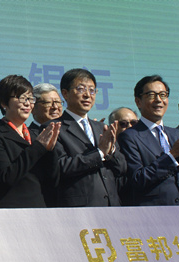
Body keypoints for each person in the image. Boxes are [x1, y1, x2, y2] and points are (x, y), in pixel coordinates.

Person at [0, 75, 61, 207]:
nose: (27, 103)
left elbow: (53, 179)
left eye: (30, 98)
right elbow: (6, 177)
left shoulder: (36, 136)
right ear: (4, 103)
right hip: (13, 210)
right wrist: (38, 147)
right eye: (21, 98)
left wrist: (50, 151)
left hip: (40, 208)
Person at [118, 75, 179, 206]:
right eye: (151, 95)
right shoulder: (129, 136)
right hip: (155, 210)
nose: (158, 100)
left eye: (163, 95)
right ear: (138, 101)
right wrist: (172, 155)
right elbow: (137, 179)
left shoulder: (177, 134)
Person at [51, 68, 126, 207]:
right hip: (79, 209)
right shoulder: (54, 127)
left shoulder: (101, 128)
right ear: (65, 93)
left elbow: (121, 168)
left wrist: (110, 152)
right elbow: (61, 167)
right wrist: (99, 153)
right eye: (81, 89)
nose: (87, 95)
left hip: (112, 206)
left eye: (92, 90)